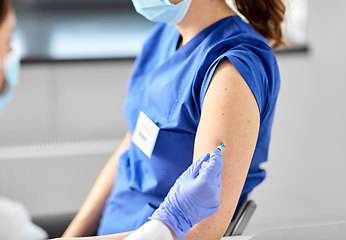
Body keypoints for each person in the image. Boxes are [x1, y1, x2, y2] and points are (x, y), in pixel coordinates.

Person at [63, 0, 285, 239]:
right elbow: (130, 151)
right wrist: (72, 235)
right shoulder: (166, 34)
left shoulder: (231, 69)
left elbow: (202, 232)